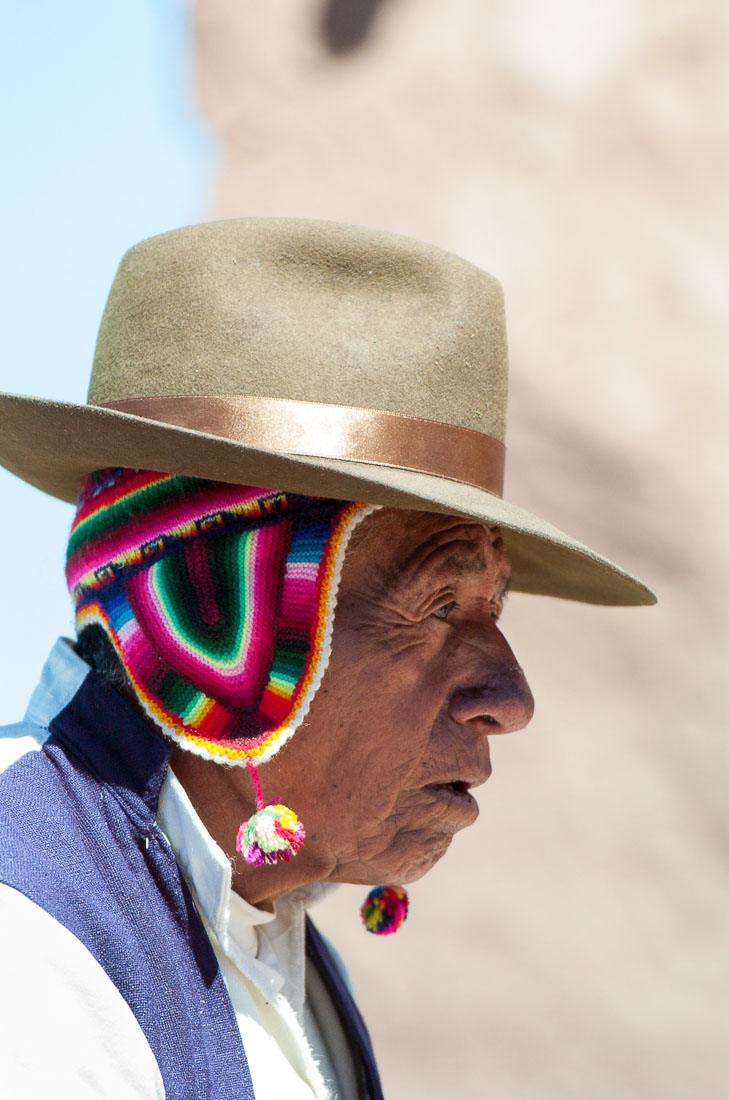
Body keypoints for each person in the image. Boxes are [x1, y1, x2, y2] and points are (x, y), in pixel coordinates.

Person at [0, 218, 655, 1099]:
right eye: (436, 601)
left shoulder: (274, 954)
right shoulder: (29, 945)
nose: (510, 697)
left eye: (493, 609)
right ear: (217, 619)